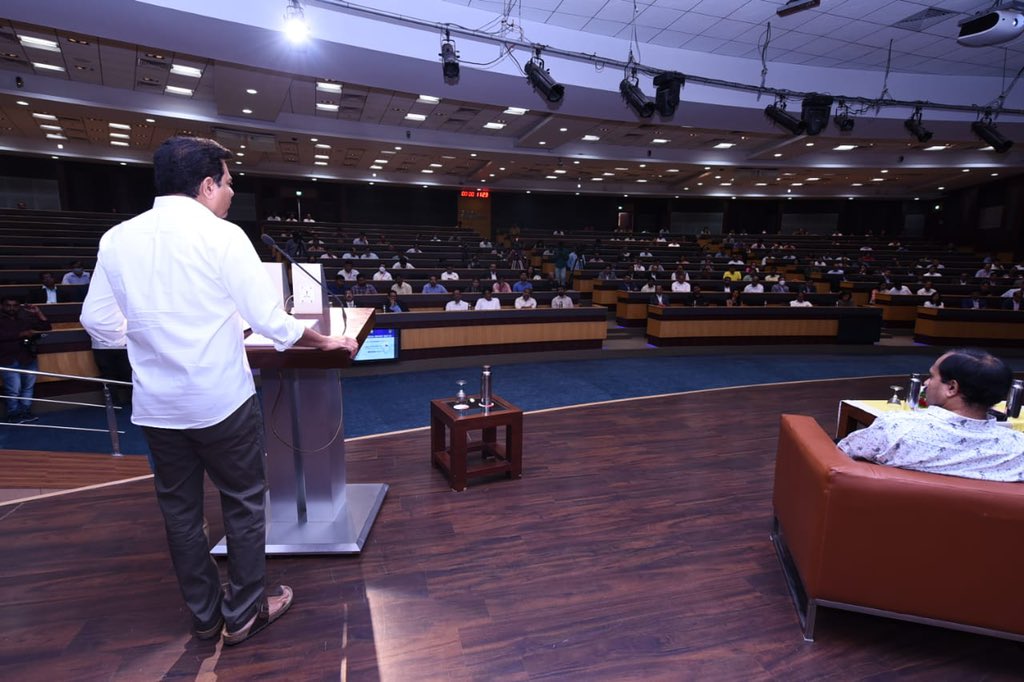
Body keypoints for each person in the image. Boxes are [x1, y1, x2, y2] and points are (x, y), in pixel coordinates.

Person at [79, 136, 358, 645]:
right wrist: (325, 341)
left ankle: (206, 617)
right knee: (245, 504)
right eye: (229, 183)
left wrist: (149, 332)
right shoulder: (223, 236)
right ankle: (246, 612)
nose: (231, 192)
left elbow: (96, 323)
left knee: (181, 513)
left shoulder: (116, 239)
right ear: (206, 185)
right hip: (221, 403)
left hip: (157, 410)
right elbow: (271, 320)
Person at [837, 349, 1024, 482]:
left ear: (951, 387)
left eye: (932, 376)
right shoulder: (1018, 449)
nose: (926, 382)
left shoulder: (897, 428)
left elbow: (839, 458)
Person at [1, 297, 50, 423]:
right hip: (8, 359)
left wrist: (37, 312)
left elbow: (46, 326)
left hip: (27, 357)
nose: (12, 308)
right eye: (8, 305)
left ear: (19, 307)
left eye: (15, 305)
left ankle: (25, 412)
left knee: (28, 387)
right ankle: (13, 415)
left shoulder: (24, 319)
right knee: (13, 390)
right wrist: (20, 335)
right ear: (2, 306)